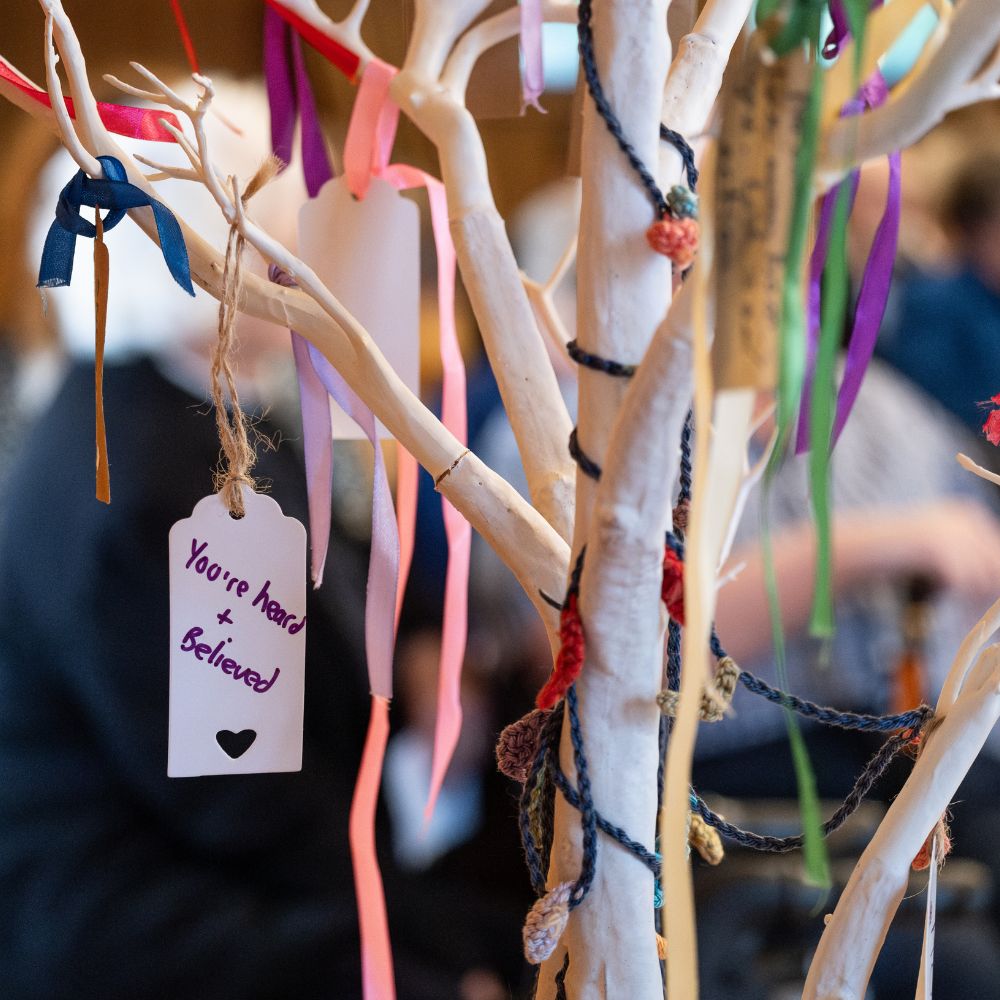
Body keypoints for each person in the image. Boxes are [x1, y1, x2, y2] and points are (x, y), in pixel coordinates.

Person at [0, 85, 523, 1000]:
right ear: (197, 263)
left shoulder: (173, 414)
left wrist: (419, 646)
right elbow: (242, 796)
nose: (300, 275)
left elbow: (337, 573)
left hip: (217, 865)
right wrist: (441, 954)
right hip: (136, 912)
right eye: (276, 246)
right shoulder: (149, 470)